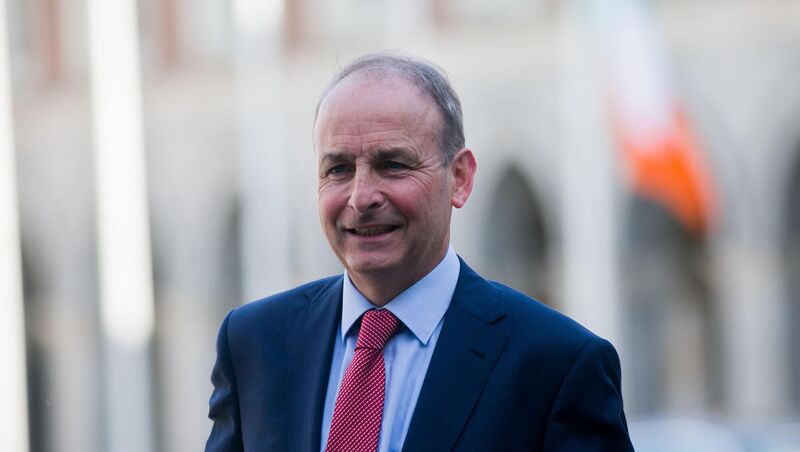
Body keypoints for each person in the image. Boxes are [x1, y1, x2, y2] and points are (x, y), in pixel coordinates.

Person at [206, 52, 634, 452]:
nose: (361, 197)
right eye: (338, 169)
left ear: (460, 178)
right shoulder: (254, 345)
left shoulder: (556, 366)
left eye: (393, 164)